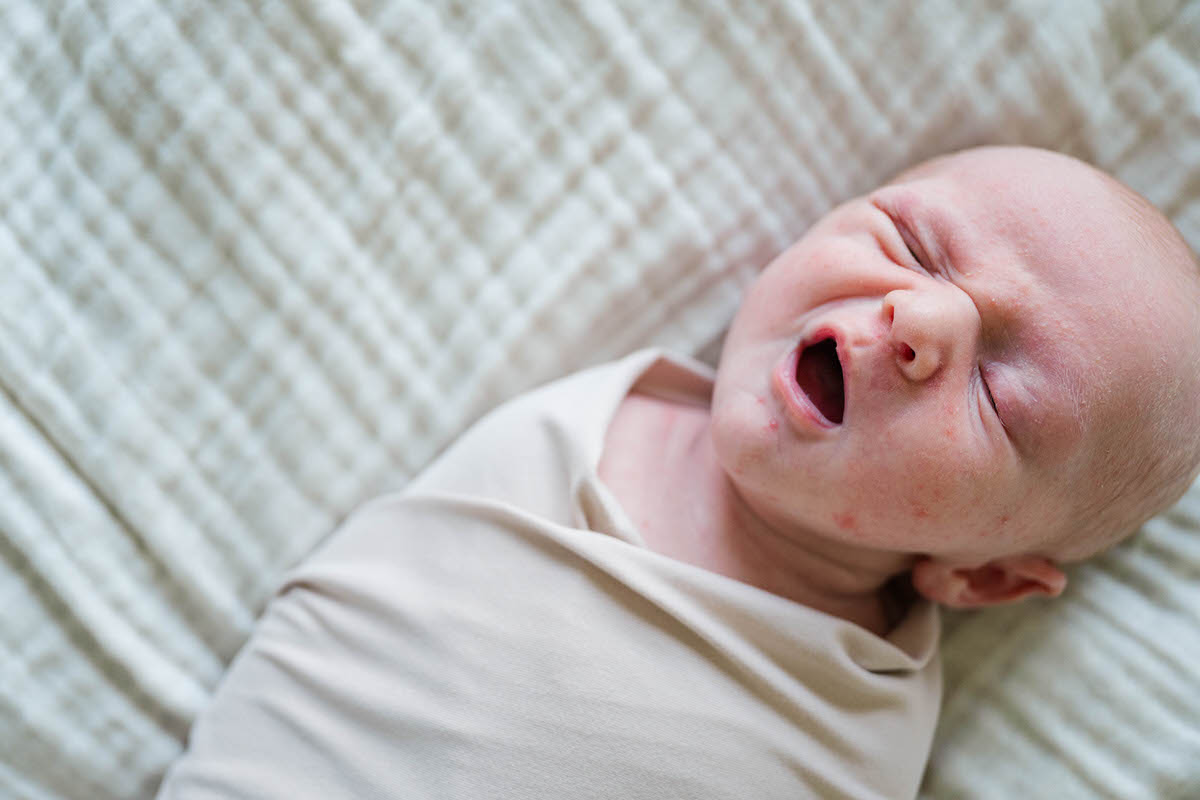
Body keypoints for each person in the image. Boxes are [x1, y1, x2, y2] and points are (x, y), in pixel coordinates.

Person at [156, 146, 1200, 799]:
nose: (919, 317)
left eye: (1000, 398)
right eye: (914, 244)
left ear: (984, 578)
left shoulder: (849, 728)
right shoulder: (587, 406)